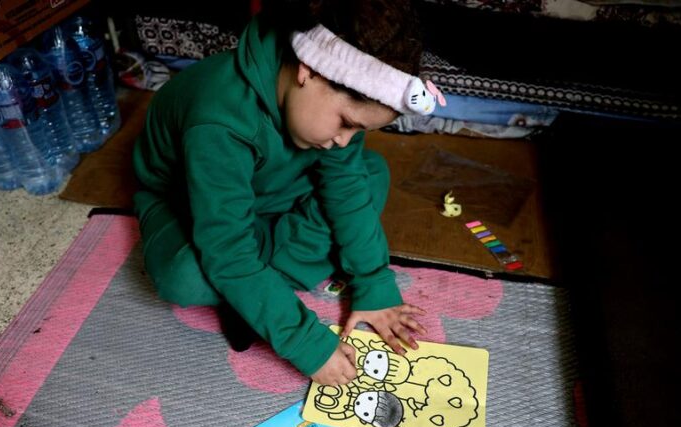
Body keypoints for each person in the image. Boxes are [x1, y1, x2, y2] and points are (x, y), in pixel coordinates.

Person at [132, 0, 446, 386]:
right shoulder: (218, 117)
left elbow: (346, 187)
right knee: (183, 276)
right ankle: (254, 286)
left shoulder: (325, 119)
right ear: (308, 70)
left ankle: (251, 289)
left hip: (275, 188)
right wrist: (306, 343)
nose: (344, 140)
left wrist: (374, 281)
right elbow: (227, 248)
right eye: (345, 122)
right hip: (191, 203)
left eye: (357, 131)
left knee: (370, 174)